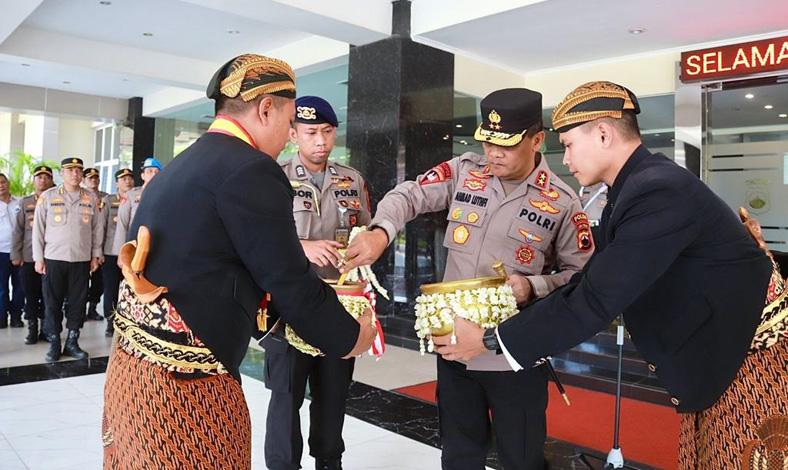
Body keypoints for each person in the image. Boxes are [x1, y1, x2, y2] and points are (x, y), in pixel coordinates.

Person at [429, 81, 783, 469]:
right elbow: (590, 280)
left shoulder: (657, 190)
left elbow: (597, 299)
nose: (564, 159)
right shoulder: (634, 187)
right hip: (721, 359)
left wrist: (490, 341)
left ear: (602, 133)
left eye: (567, 144)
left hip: (750, 362)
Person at [102, 53, 376, 469]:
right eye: (290, 123)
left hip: (134, 366)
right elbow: (289, 281)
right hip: (184, 384)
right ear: (266, 108)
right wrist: (351, 337)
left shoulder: (185, 164)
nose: (289, 136)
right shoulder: (252, 170)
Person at [343, 88, 592, 470]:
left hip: (514, 356)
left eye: (505, 145)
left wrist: (532, 286)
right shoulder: (464, 172)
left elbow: (581, 278)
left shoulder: (562, 201)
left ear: (537, 139)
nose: (493, 153)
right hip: (455, 349)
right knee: (459, 455)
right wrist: (380, 232)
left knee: (521, 458)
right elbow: (410, 195)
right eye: (488, 142)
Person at [264, 96, 372, 470]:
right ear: (294, 134)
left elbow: (367, 232)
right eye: (311, 133)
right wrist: (303, 247)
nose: (320, 141)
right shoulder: (272, 177)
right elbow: (255, 239)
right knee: (286, 396)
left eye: (327, 132)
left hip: (340, 305)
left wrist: (363, 249)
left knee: (333, 395)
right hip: (289, 306)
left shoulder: (352, 180)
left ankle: (329, 461)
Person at [33, 158, 103, 362]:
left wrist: (95, 254)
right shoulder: (48, 197)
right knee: (52, 303)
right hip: (54, 258)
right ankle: (54, 342)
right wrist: (38, 258)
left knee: (78, 302)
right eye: (70, 170)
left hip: (81, 259)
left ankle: (72, 341)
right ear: (62, 174)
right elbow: (38, 230)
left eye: (78, 170)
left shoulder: (90, 198)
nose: (75, 174)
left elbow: (97, 229)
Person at [11, 165, 55, 343]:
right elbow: (18, 231)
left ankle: (46, 329)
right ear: (34, 180)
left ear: (51, 180)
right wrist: (16, 254)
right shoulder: (25, 202)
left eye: (46, 177)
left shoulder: (56, 199)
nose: (43, 180)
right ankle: (32, 328)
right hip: (29, 256)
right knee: (30, 294)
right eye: (39, 177)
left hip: (52, 255)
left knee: (49, 295)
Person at [101, 168, 133, 337]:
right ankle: (110, 321)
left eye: (129, 178)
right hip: (111, 251)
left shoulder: (137, 198)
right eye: (123, 179)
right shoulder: (108, 200)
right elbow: (102, 226)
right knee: (111, 288)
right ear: (116, 183)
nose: (127, 181)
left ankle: (126, 320)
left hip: (131, 252)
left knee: (128, 289)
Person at [112, 158, 160, 256]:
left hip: (156, 246)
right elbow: (122, 225)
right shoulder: (130, 195)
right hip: (134, 246)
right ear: (143, 176)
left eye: (157, 172)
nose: (154, 174)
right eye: (150, 171)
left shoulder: (164, 195)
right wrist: (121, 253)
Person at [83, 167, 107, 320]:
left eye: (96, 178)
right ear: (84, 180)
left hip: (101, 245)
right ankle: (78, 308)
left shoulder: (106, 198)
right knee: (81, 281)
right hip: (84, 245)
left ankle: (92, 307)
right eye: (90, 178)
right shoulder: (81, 196)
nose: (93, 180)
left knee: (99, 281)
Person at [0, 172, 23, 328]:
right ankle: (1, 317)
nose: (1, 185)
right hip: (0, 251)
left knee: (20, 287)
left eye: (3, 182)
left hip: (19, 251)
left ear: (8, 183)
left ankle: (16, 317)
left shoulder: (19, 203)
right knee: (1, 288)